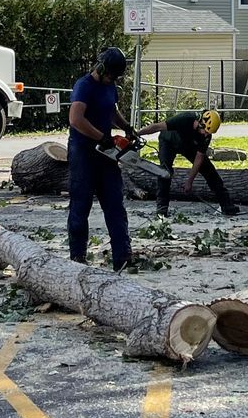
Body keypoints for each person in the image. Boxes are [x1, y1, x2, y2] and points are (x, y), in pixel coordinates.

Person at [65, 46, 143, 269]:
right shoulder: (84, 86)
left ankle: (122, 254)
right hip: (83, 152)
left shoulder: (111, 87)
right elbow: (76, 119)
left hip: (106, 153)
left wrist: (126, 127)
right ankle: (77, 256)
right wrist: (101, 137)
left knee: (115, 203)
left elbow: (112, 110)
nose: (112, 79)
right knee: (81, 204)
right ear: (101, 68)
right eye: (111, 75)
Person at [149, 108, 239, 218]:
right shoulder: (185, 118)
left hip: (188, 145)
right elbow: (157, 126)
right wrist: (136, 134)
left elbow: (199, 158)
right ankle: (162, 208)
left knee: (209, 170)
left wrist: (189, 181)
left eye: (209, 133)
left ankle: (227, 204)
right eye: (205, 131)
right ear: (200, 123)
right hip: (169, 140)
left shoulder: (206, 136)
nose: (206, 135)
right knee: (165, 171)